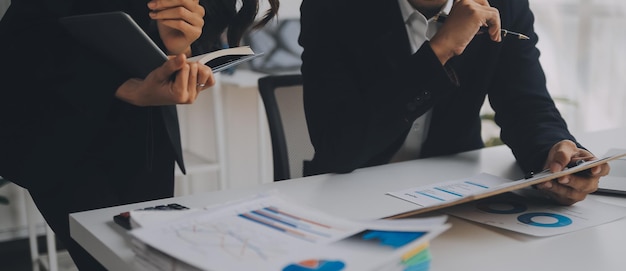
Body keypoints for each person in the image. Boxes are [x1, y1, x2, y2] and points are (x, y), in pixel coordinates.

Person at [0, 0, 278, 269]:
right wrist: (126, 87)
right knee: (112, 260)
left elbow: (207, 32)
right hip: (58, 131)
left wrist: (180, 47)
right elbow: (23, 35)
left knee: (150, 259)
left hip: (147, 134)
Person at [299, 0, 610, 206]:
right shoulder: (331, 6)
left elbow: (526, 105)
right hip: (348, 197)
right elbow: (338, 147)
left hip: (453, 196)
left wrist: (555, 154)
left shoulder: (505, 4)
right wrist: (441, 48)